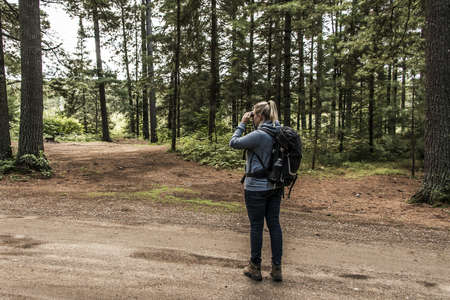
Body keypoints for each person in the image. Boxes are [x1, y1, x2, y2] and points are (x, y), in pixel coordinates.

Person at [229, 100, 283, 282]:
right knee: (274, 225)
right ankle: (276, 269)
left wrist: (242, 123)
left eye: (253, 114)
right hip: (276, 187)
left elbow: (234, 142)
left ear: (259, 116)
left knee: (257, 226)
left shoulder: (259, 135)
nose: (252, 117)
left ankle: (255, 267)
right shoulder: (279, 131)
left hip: (256, 188)